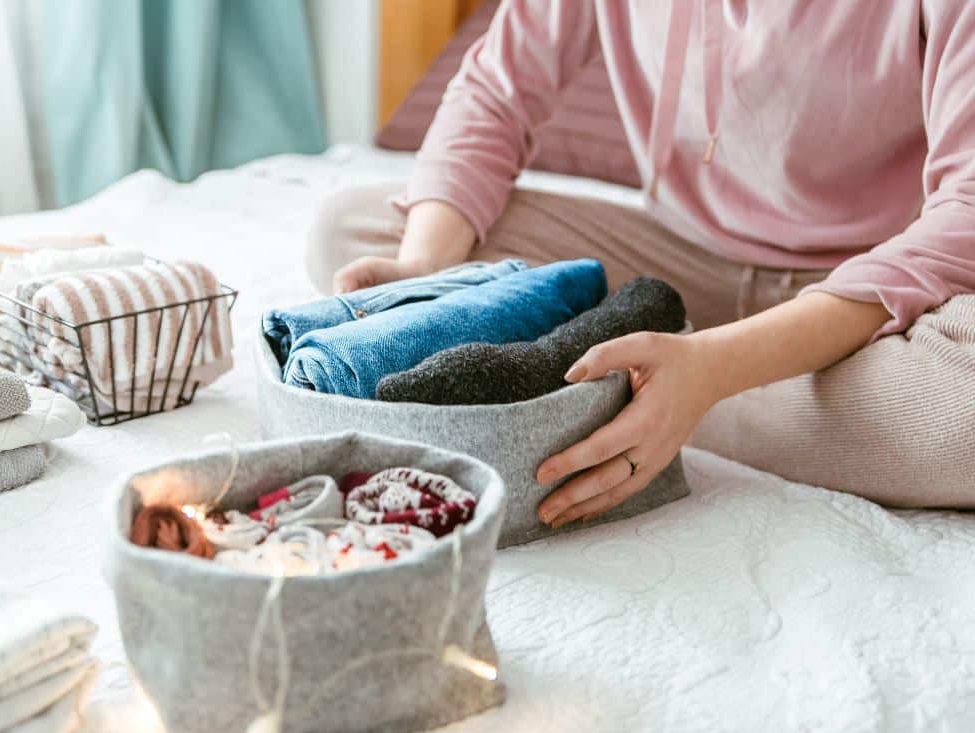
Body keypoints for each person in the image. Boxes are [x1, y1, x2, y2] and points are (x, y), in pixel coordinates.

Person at [304, 0, 975, 525]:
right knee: (357, 232)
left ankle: (670, 395)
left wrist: (715, 370)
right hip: (675, 258)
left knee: (963, 413)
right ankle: (663, 385)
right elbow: (497, 93)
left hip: (873, 292)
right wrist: (426, 266)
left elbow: (965, 206)